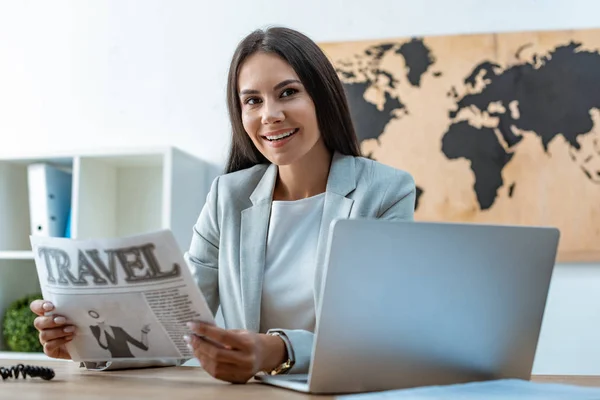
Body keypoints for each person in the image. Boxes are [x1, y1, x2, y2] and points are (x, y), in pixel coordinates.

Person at [30, 26, 416, 384]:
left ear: (321, 96)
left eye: (288, 92)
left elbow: (380, 333)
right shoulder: (227, 197)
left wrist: (277, 351)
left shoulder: (384, 191)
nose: (270, 114)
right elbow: (178, 327)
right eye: (253, 100)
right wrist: (90, 345)